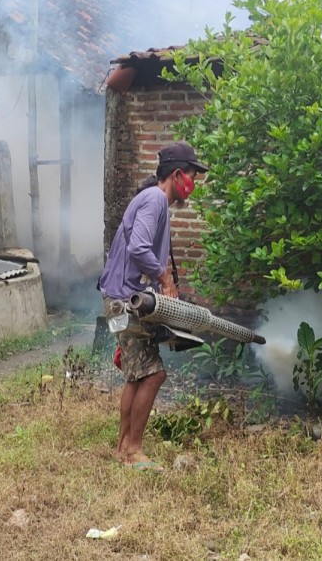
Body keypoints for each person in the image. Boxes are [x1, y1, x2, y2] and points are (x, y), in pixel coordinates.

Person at [98, 142, 208, 472]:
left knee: (137, 376)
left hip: (120, 297)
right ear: (177, 174)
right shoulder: (155, 199)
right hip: (124, 300)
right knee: (154, 374)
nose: (194, 182)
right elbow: (139, 247)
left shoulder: (151, 200)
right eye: (192, 175)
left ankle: (123, 447)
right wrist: (166, 281)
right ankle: (132, 449)